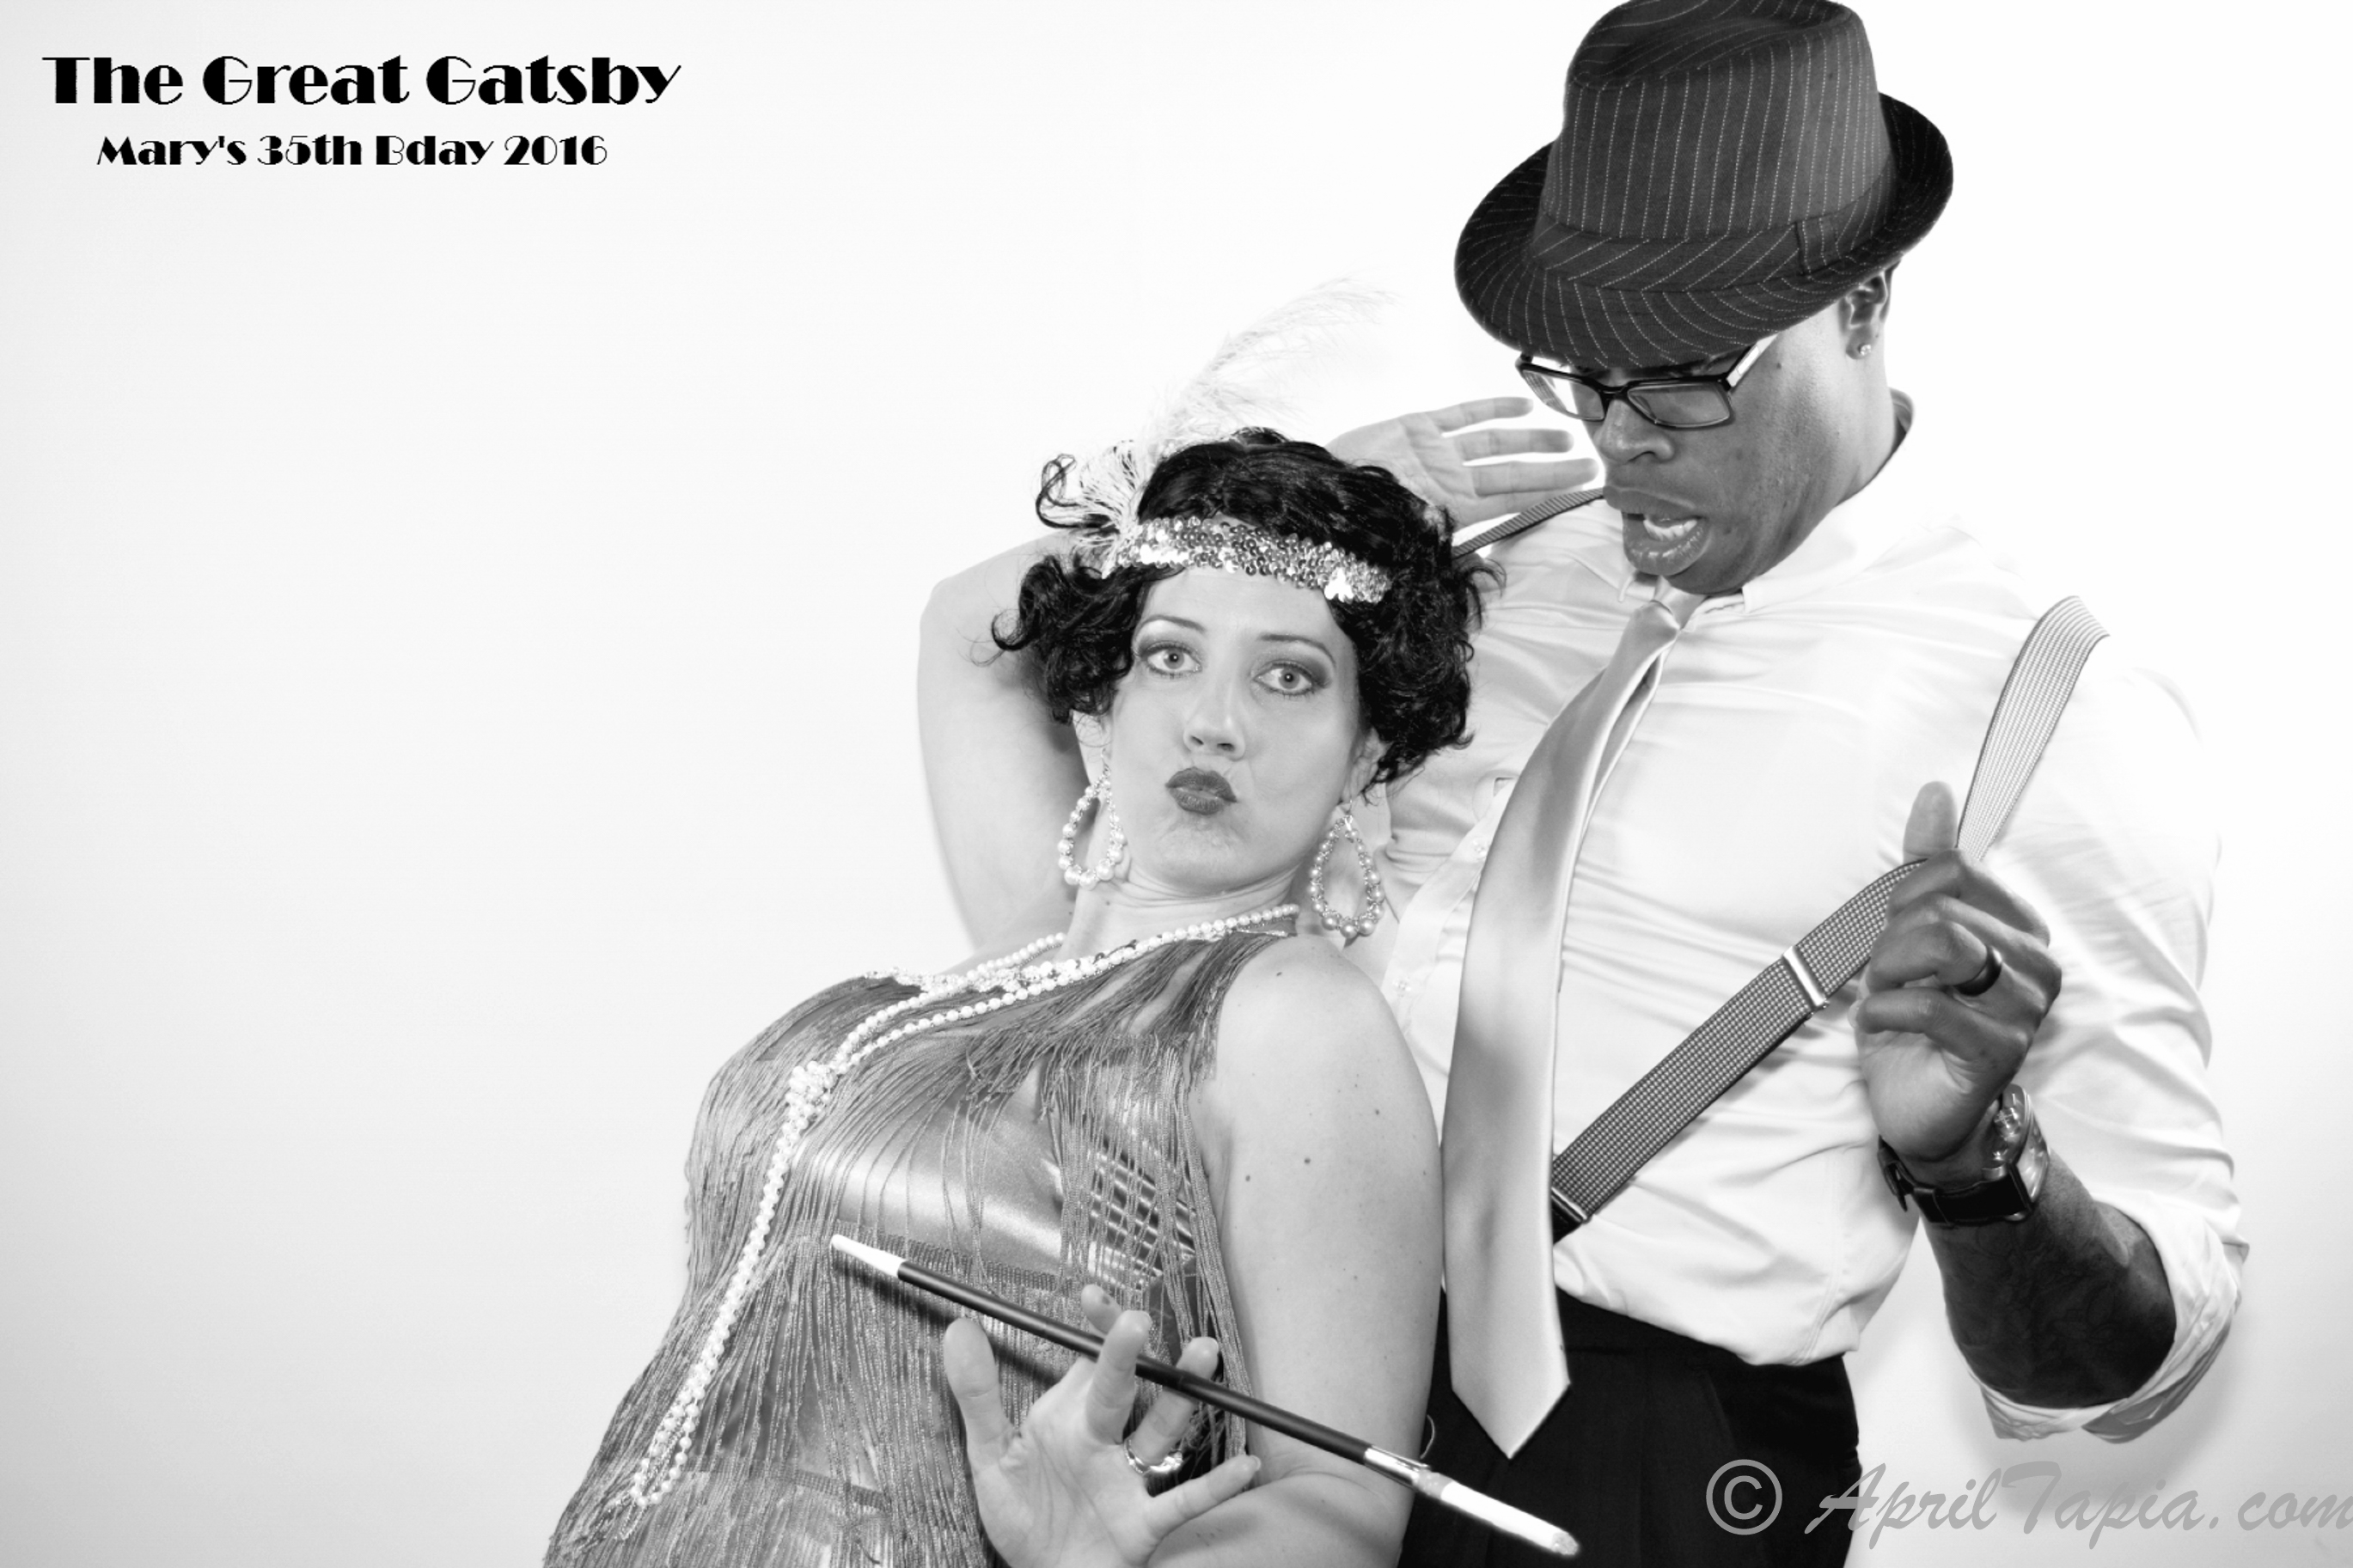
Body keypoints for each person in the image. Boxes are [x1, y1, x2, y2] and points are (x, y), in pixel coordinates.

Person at [920, 3, 2244, 1564]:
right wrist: (1290, 504)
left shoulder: (2052, 710)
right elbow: (1019, 665)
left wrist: (1977, 1170)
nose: (1622, 442)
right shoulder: (1495, 560)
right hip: (1250, 1375)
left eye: (1681, 380)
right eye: (1583, 378)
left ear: (1864, 298)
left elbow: (2139, 1361)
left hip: (1635, 1466)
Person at [544, 428, 1482, 1568]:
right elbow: (963, 619)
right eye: (1169, 656)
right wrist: (1245, 501)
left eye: (1289, 675)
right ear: (1095, 702)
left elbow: (1339, 1511)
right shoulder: (1020, 956)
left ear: (1368, 747)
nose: (1214, 719)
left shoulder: (1292, 1015)